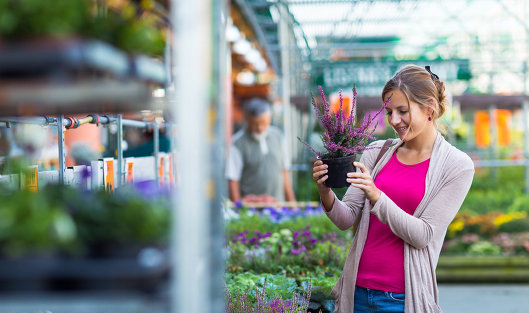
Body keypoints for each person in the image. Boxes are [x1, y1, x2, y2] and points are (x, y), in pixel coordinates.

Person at [312, 65, 474, 313]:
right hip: (356, 293)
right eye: (389, 112)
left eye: (402, 111)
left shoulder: (456, 166)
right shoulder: (376, 152)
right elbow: (346, 219)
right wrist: (325, 192)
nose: (393, 120)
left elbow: (423, 235)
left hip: (402, 299)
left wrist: (376, 196)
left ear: (429, 107)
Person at [225, 98, 296, 204]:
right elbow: (233, 179)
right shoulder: (237, 143)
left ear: (269, 119)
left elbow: (284, 172)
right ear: (247, 120)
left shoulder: (278, 137)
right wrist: (238, 209)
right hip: (250, 210)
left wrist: (292, 203)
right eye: (255, 123)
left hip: (277, 208)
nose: (259, 128)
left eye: (263, 122)